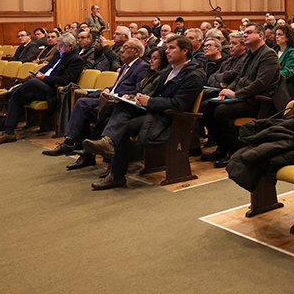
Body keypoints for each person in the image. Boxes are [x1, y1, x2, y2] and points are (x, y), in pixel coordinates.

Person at [84, 36, 205, 190]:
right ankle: (107, 142)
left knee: (123, 128)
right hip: (157, 112)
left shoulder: (193, 75)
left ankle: (115, 172)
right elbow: (155, 94)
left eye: (171, 48)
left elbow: (179, 104)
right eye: (167, 48)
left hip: (172, 119)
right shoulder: (170, 69)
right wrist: (137, 98)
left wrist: (150, 102)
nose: (167, 51)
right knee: (121, 106)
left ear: (185, 51)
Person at [43, 38, 149, 164]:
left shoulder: (142, 67)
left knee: (88, 110)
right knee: (82, 104)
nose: (120, 50)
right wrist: (107, 89)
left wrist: (115, 94)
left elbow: (138, 92)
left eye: (125, 47)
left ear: (136, 52)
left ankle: (86, 153)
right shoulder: (126, 67)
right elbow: (117, 86)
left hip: (120, 103)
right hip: (110, 99)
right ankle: (71, 142)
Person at [0, 33, 86, 145]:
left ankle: (6, 95)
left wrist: (45, 78)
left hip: (53, 90)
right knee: (17, 97)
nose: (58, 48)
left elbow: (65, 80)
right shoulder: (58, 54)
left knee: (33, 82)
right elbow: (48, 67)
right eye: (58, 45)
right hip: (40, 86)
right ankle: (9, 132)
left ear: (70, 46)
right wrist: (41, 72)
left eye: (61, 46)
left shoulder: (76, 60)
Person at [205, 24, 283, 167]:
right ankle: (222, 147)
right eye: (244, 32)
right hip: (243, 97)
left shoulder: (268, 55)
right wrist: (227, 90)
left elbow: (261, 84)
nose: (245, 35)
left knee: (221, 111)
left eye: (248, 32)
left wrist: (235, 93)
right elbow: (239, 78)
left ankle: (235, 150)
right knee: (206, 107)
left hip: (258, 101)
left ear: (260, 36)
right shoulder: (249, 55)